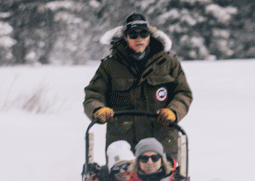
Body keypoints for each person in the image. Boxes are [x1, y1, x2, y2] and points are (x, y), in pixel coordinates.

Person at [83, 13, 193, 169]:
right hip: (123, 140)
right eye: (133, 34)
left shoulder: (169, 63)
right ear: (125, 37)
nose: (139, 38)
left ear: (150, 36)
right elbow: (93, 94)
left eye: (143, 33)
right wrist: (98, 109)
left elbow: (183, 93)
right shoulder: (110, 66)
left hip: (162, 138)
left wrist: (174, 111)